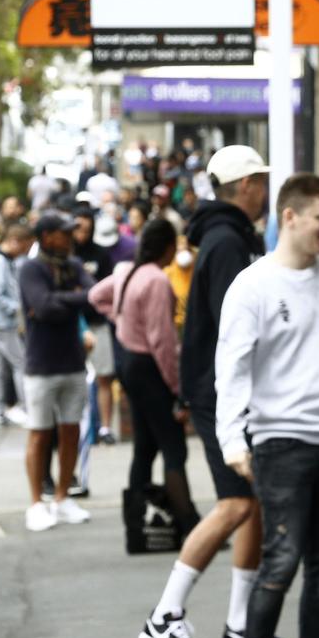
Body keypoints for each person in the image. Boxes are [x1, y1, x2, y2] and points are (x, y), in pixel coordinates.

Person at [136, 144, 293, 638]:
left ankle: (240, 625)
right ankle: (165, 614)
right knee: (238, 505)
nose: (267, 189)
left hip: (218, 387)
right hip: (219, 390)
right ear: (246, 184)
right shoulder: (228, 242)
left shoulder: (224, 237)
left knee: (255, 505)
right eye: (262, 180)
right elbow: (240, 325)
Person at [215, 174, 319, 638]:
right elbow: (231, 367)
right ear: (290, 217)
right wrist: (233, 440)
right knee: (280, 560)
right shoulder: (253, 285)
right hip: (280, 439)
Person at [88, 218, 198, 531]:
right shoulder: (156, 281)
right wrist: (176, 386)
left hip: (130, 363)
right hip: (150, 367)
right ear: (165, 248)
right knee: (174, 447)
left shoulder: (126, 271)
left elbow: (96, 296)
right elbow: (162, 340)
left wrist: (122, 319)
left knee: (145, 446)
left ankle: (136, 523)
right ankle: (187, 520)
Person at [18, 214, 93, 532]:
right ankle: (36, 502)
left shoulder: (74, 265)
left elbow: (93, 296)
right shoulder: (31, 268)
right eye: (63, 233)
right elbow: (42, 306)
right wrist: (72, 300)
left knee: (70, 431)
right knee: (39, 432)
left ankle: (61, 498)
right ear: (47, 236)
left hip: (72, 362)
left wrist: (58, 302)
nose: (70, 237)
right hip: (42, 364)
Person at [70, 207, 118, 446]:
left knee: (104, 376)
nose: (82, 232)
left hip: (97, 322)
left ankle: (105, 427)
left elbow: (108, 287)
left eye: (86, 228)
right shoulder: (67, 255)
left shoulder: (101, 254)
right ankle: (79, 427)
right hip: (72, 324)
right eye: (78, 227)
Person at [0, 224, 33, 429]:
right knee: (20, 364)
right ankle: (26, 409)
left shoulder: (2, 260)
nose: (25, 252)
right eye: (25, 247)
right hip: (2, 322)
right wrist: (17, 309)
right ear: (15, 241)